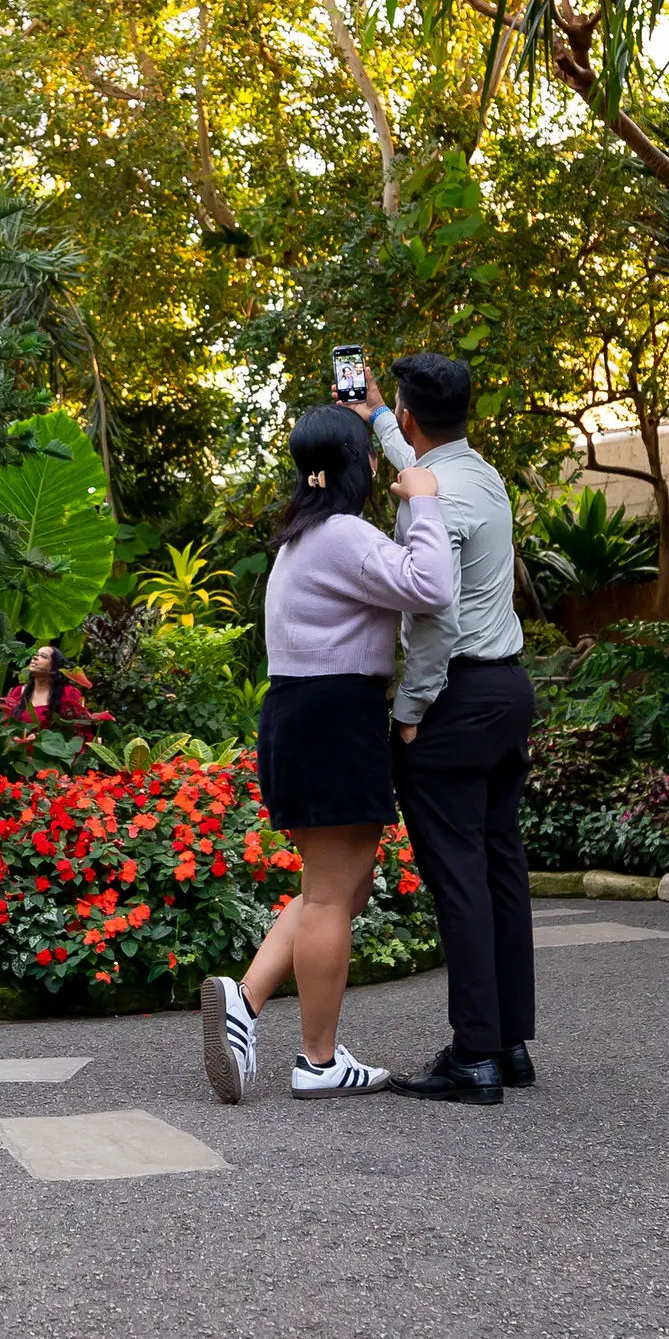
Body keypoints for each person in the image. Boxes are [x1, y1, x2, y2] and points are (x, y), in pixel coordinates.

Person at [200, 402, 446, 1103]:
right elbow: (429, 586)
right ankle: (316, 1058)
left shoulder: (300, 537)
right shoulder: (341, 535)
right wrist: (424, 503)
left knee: (336, 888)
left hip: (301, 714)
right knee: (335, 893)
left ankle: (246, 1003)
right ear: (361, 465)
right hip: (336, 716)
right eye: (373, 453)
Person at [365, 353, 536, 1107]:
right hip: (508, 691)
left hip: (455, 699)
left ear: (412, 415)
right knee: (499, 866)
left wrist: (408, 713)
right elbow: (414, 459)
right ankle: (507, 1042)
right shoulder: (481, 475)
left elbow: (433, 620)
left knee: (458, 873)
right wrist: (375, 414)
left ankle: (472, 1058)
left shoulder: (429, 505)